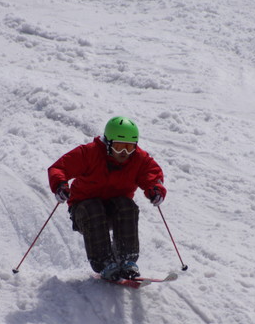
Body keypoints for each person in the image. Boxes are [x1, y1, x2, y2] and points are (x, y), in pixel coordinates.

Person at [48, 116, 166, 280]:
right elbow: (59, 168)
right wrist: (60, 184)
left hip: (114, 212)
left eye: (129, 147)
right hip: (85, 212)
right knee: (93, 207)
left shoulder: (138, 159)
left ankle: (127, 260)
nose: (124, 153)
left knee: (127, 205)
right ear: (108, 143)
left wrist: (155, 189)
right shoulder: (89, 153)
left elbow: (151, 174)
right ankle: (103, 262)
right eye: (118, 147)